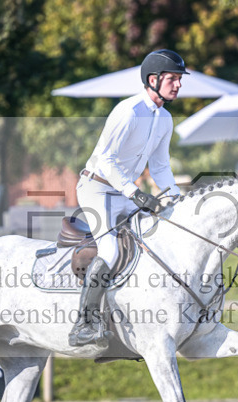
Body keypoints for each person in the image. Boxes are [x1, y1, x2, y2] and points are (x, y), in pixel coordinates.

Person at [69, 49, 188, 347]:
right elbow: (107, 162)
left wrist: (175, 198)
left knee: (159, 235)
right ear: (153, 79)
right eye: (173, 79)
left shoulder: (164, 119)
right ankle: (84, 324)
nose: (178, 85)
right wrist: (134, 192)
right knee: (108, 250)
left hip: (123, 192)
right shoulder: (128, 111)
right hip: (96, 188)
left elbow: (160, 167)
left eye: (178, 79)